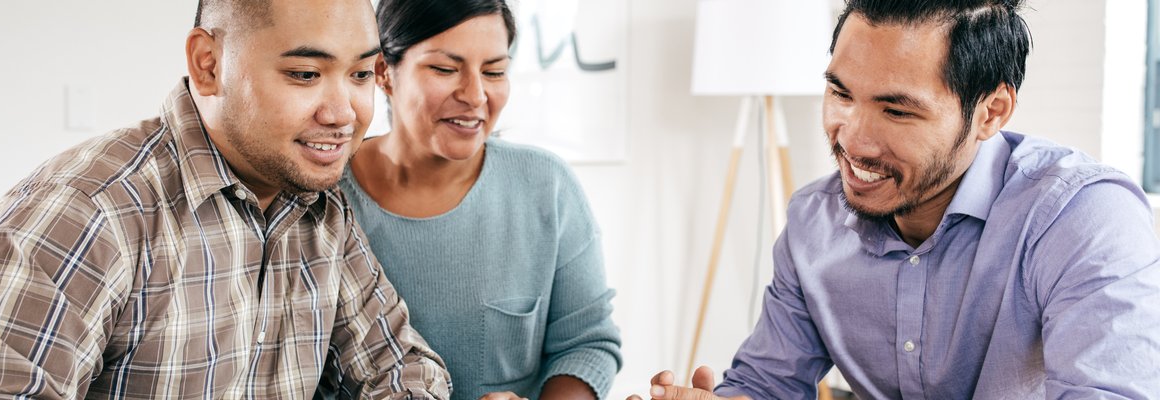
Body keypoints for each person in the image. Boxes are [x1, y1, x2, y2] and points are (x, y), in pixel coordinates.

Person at [632, 0, 1160, 399]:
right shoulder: (813, 224)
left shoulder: (1083, 219)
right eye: (841, 94)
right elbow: (768, 385)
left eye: (897, 111)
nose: (851, 140)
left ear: (992, 112)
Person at [0, 0, 450, 398]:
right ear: (208, 64)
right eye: (305, 74)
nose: (345, 114)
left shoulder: (319, 209)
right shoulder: (88, 214)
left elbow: (399, 367)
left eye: (362, 75)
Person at [338, 0, 622, 398]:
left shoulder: (546, 187)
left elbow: (586, 344)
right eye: (445, 69)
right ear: (384, 72)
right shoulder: (324, 199)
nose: (475, 95)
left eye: (494, 71)